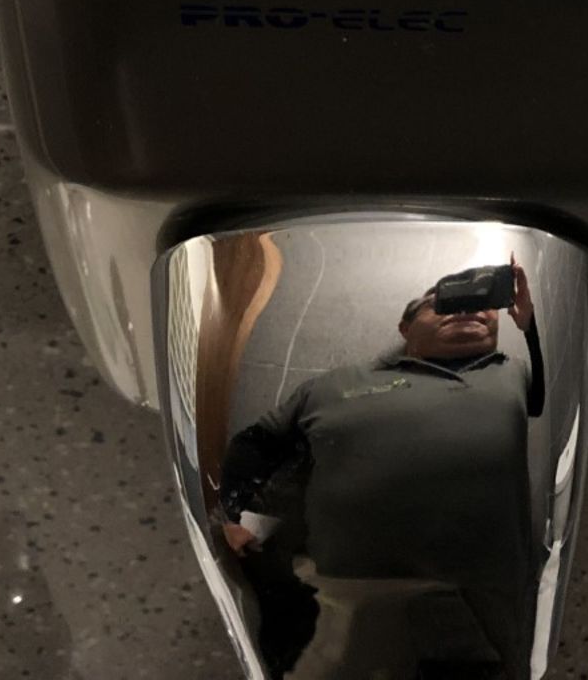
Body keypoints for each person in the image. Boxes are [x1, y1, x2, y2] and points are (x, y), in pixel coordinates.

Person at [218, 257, 544, 679]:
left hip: (478, 618)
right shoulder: (331, 386)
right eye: (443, 303)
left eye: (483, 303)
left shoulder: (509, 373)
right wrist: (233, 513)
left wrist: (529, 325)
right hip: (343, 608)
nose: (467, 310)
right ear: (405, 328)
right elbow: (255, 446)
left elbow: (540, 400)